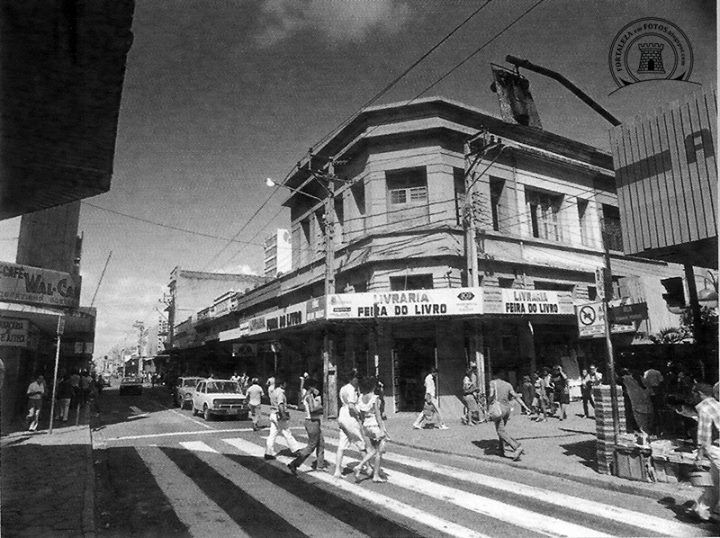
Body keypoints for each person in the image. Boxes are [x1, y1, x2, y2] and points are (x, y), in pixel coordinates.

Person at [688, 382, 720, 523]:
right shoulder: (716, 403)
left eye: (694, 393)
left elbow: (704, 435)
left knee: (715, 481)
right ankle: (703, 510)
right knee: (715, 481)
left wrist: (699, 456)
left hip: (715, 448)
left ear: (699, 394)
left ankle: (703, 509)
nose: (692, 396)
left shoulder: (704, 408)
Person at [353, 376, 390, 483]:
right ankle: (373, 474)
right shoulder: (375, 398)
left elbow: (361, 415)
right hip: (375, 426)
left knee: (371, 450)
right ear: (373, 386)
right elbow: (378, 415)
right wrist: (382, 429)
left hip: (366, 426)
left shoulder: (360, 398)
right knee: (379, 451)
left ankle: (361, 466)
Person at [288, 379, 326, 475]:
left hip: (314, 421)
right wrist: (322, 407)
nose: (316, 389)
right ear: (311, 387)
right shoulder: (309, 397)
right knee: (312, 445)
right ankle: (294, 463)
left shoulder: (308, 396)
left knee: (321, 443)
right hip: (312, 422)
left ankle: (320, 466)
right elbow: (313, 409)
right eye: (315, 387)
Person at [488, 373, 530, 460]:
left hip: (499, 409)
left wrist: (489, 401)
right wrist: (525, 407)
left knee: (500, 431)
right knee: (502, 429)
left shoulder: (493, 383)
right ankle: (501, 449)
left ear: (495, 375)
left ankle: (516, 446)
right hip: (507, 409)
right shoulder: (508, 385)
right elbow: (515, 396)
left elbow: (491, 395)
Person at [334, 370, 366, 478]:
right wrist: (360, 415)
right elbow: (352, 406)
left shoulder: (343, 388)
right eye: (356, 378)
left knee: (342, 444)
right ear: (351, 378)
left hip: (342, 414)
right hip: (350, 417)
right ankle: (369, 467)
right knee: (360, 441)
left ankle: (337, 470)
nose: (358, 380)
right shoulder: (352, 390)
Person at [265, 379, 302, 460]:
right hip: (279, 415)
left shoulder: (274, 392)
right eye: (285, 383)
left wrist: (289, 406)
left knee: (272, 435)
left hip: (273, 414)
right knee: (287, 432)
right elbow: (280, 405)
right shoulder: (281, 393)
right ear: (282, 384)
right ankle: (296, 450)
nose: (286, 385)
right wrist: (284, 415)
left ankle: (268, 452)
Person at [622, 370, 653, 438]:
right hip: (647, 408)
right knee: (647, 428)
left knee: (644, 429)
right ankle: (648, 439)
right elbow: (651, 392)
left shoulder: (628, 380)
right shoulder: (644, 381)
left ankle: (647, 441)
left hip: (639, 408)